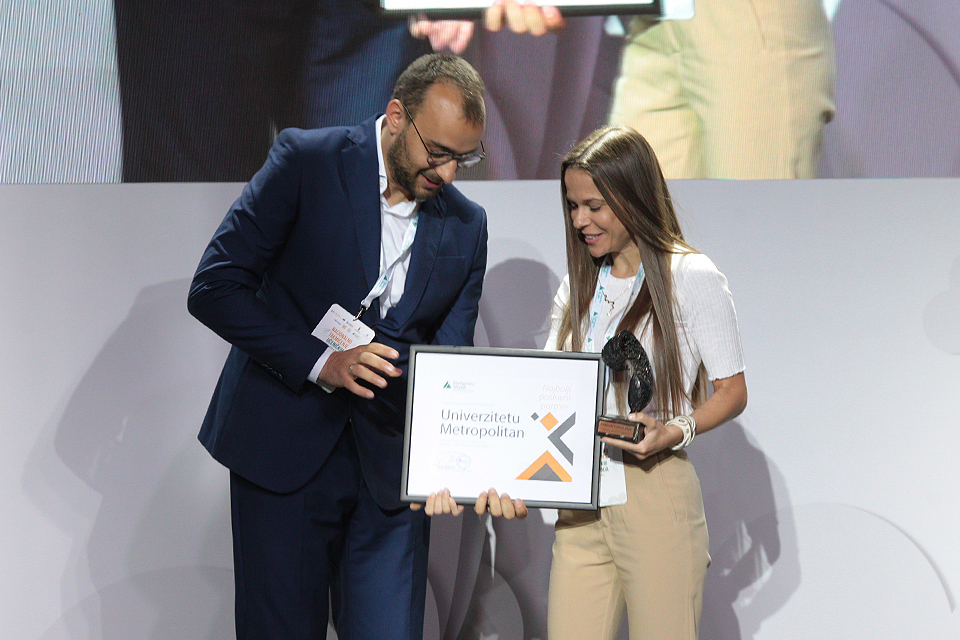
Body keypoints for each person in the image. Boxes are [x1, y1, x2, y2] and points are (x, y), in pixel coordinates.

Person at [187, 53, 488, 640]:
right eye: (438, 152)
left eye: (465, 158)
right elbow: (215, 287)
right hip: (283, 456)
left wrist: (457, 460)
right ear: (396, 116)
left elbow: (451, 366)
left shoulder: (467, 224)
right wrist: (322, 361)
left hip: (390, 479)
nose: (449, 173)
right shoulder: (308, 160)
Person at [427, 124, 747, 639]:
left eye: (594, 206)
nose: (580, 220)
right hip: (579, 505)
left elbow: (732, 391)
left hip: (653, 492)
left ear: (633, 197)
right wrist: (497, 473)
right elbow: (543, 397)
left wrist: (674, 430)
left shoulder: (691, 276)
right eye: (573, 206)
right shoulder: (578, 286)